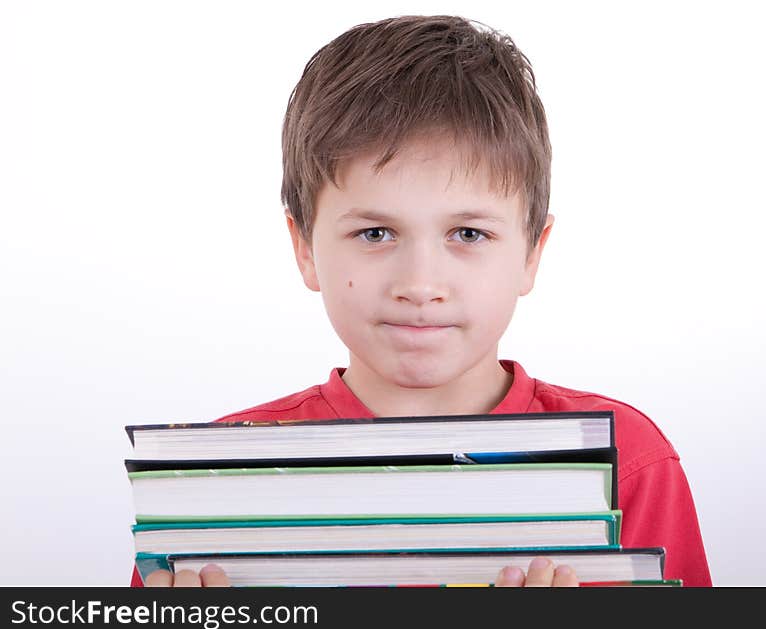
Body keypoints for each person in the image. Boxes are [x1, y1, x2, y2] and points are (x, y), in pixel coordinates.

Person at [136, 14, 711, 588]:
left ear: (532, 253)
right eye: (375, 234)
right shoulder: (214, 486)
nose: (419, 283)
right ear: (305, 248)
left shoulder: (626, 463)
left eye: (468, 234)